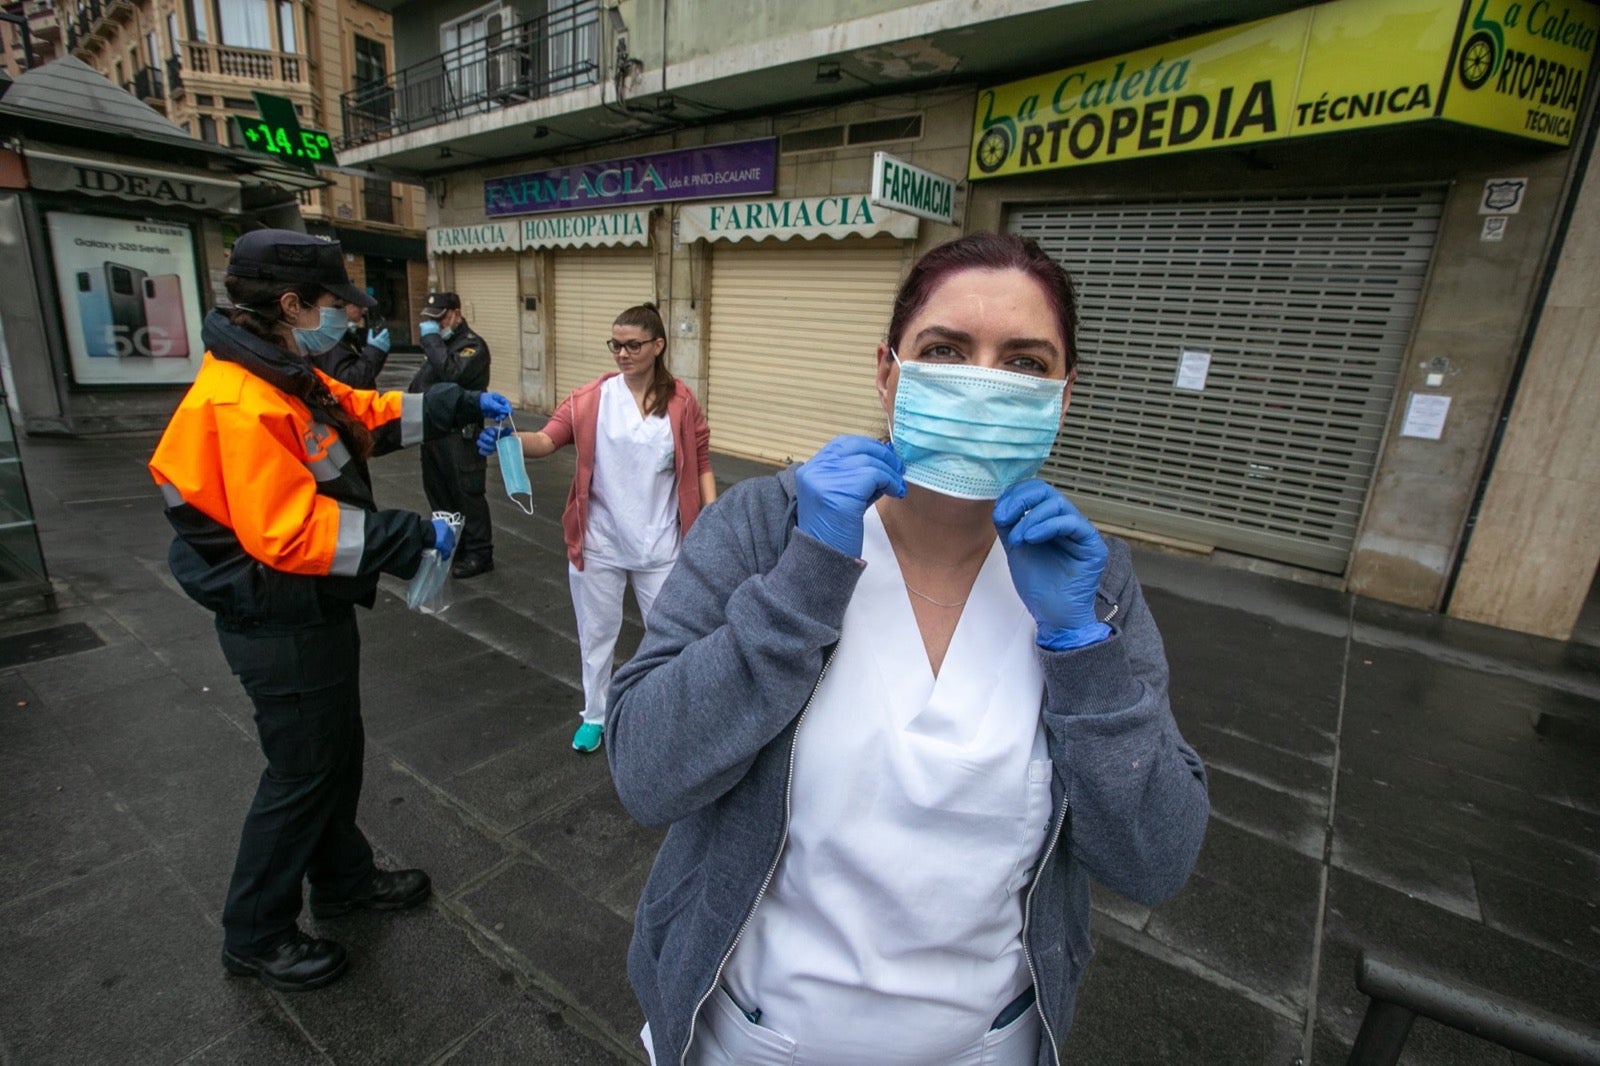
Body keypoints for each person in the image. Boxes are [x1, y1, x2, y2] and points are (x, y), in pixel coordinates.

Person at [606, 233, 1210, 1066]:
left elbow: (1156, 859)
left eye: (1026, 364)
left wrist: (1083, 650)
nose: (984, 383)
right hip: (754, 1040)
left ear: (1065, 398)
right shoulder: (762, 528)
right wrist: (804, 579)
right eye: (947, 350)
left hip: (984, 1048)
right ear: (888, 371)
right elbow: (646, 770)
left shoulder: (1093, 581)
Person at [148, 230, 513, 993]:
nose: (341, 318)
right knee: (301, 774)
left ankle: (343, 881)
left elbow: (358, 415)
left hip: (303, 606)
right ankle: (255, 932)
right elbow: (289, 533)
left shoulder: (279, 371)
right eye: (330, 303)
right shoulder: (240, 399)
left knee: (333, 755)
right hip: (275, 615)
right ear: (290, 304)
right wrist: (414, 535)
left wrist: (451, 403)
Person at [479, 303, 715, 754]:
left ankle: (667, 711)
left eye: (633, 345)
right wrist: (508, 437)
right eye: (616, 345)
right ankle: (596, 714)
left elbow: (701, 461)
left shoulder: (681, 403)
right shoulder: (591, 399)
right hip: (601, 543)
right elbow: (548, 438)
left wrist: (711, 519)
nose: (622, 354)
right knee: (596, 635)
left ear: (657, 346)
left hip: (661, 546)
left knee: (673, 636)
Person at [409, 291, 496, 579]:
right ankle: (455, 546)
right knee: (439, 492)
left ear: (456, 313)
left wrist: (431, 340)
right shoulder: (444, 346)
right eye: (431, 321)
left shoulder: (471, 346)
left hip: (461, 435)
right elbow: (422, 383)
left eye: (441, 318)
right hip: (433, 432)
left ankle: (480, 553)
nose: (436, 325)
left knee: (467, 493)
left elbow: (450, 375)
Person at [309, 299, 391, 388]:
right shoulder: (330, 337)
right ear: (343, 306)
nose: (363, 311)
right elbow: (349, 382)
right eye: (358, 306)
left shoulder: (341, 335)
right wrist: (374, 351)